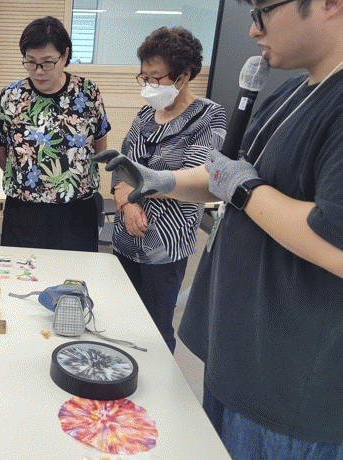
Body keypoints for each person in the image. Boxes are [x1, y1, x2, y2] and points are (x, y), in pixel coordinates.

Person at [99, 0, 343, 457]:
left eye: (262, 11)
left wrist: (245, 190)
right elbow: (222, 175)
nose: (253, 31)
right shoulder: (291, 94)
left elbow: (334, 244)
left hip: (288, 383)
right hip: (237, 354)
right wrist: (159, 180)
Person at [111, 27, 226, 354]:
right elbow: (121, 165)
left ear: (183, 75)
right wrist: (127, 203)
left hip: (164, 245)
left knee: (155, 331)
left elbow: (193, 179)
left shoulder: (208, 116)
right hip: (126, 236)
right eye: (144, 77)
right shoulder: (145, 114)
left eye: (156, 78)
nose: (148, 85)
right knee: (120, 323)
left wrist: (135, 189)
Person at [0, 16, 109, 252]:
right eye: (30, 62)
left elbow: (99, 144)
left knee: (73, 273)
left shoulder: (87, 92)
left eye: (47, 63)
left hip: (76, 212)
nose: (38, 71)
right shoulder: (11, 96)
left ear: (64, 55)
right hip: (24, 213)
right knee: (21, 271)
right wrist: (26, 175)